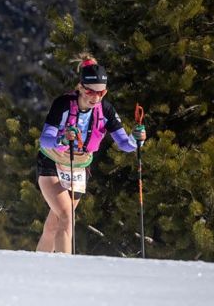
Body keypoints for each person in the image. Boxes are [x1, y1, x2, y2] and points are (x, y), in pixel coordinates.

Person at [36, 55, 147, 253]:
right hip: (52, 161)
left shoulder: (106, 110)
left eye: (101, 92)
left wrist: (136, 139)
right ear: (80, 87)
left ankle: (37, 269)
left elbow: (124, 144)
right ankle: (63, 271)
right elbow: (45, 138)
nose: (95, 97)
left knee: (55, 223)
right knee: (66, 216)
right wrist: (61, 140)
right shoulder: (63, 104)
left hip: (78, 166)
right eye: (90, 91)